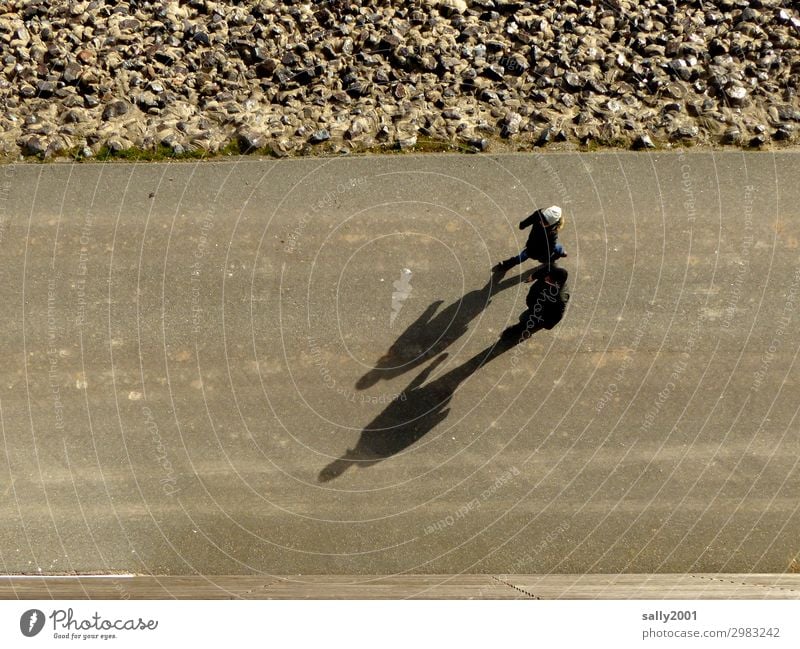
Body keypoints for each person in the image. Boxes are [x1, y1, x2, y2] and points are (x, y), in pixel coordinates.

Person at [493, 205, 566, 274]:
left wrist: (543, 258)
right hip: (532, 244)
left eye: (545, 222)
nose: (541, 222)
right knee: (555, 246)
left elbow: (549, 249)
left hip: (538, 250)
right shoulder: (539, 214)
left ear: (552, 223)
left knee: (522, 257)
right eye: (541, 219)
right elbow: (531, 219)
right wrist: (523, 225)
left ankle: (507, 264)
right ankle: (561, 252)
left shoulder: (552, 233)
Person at [502, 265, 569, 339]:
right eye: (548, 276)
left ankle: (520, 333)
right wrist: (533, 276)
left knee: (526, 322)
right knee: (524, 318)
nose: (546, 278)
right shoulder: (550, 274)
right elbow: (543, 270)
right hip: (534, 306)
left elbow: (557, 316)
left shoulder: (560, 299)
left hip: (542, 315)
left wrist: (546, 325)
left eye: (549, 280)